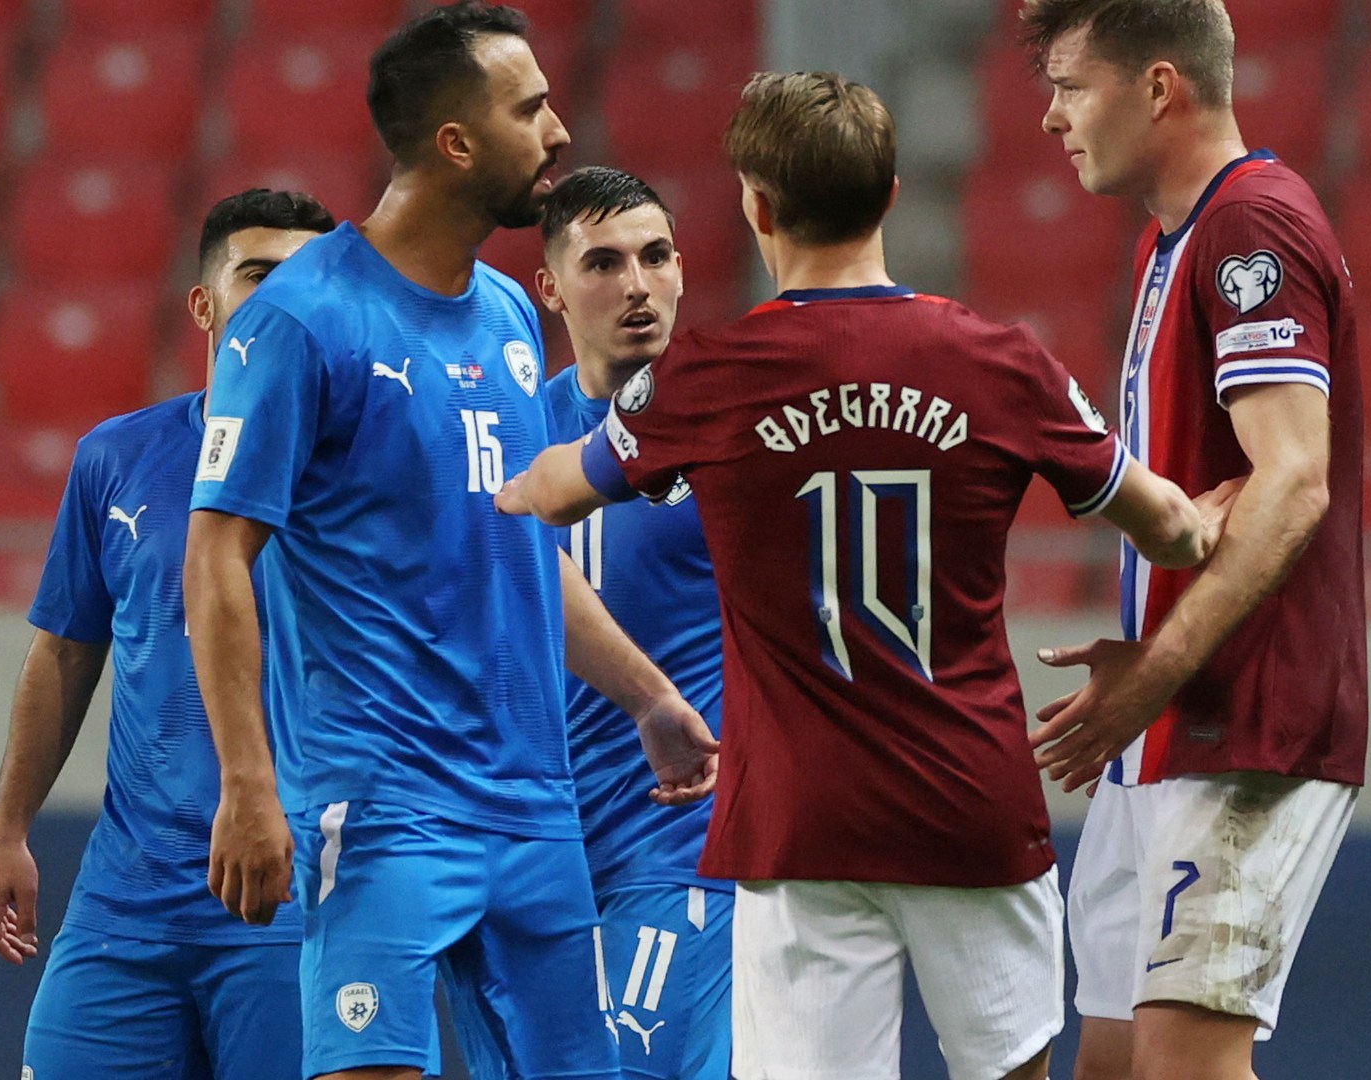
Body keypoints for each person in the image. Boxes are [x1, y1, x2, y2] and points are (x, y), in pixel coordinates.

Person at [496, 71, 1233, 1080]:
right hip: (970, 805)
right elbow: (1164, 529)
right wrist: (1212, 516)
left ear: (755, 205)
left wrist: (490, 468)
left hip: (797, 821)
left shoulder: (704, 379)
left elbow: (552, 492)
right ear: (889, 194)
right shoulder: (1004, 362)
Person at [182, 6, 716, 1080]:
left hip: (531, 805)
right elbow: (215, 557)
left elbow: (514, 546)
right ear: (456, 143)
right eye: (529, 109)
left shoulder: (513, 319)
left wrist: (649, 698)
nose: (559, 133)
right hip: (382, 808)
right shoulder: (299, 321)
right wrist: (248, 782)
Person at [1018, 2, 1368, 1078]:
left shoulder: (1248, 227)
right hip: (1167, 733)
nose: (1048, 118)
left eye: (1072, 86)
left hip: (1246, 721)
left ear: (1157, 87)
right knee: (1114, 1064)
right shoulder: (1173, 236)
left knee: (1181, 1066)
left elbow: (1294, 479)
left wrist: (1160, 668)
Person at [0, 188, 334, 1080]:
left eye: (308, 279)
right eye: (257, 275)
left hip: (292, 899)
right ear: (204, 305)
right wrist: (8, 826)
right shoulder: (117, 457)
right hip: (125, 898)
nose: (283, 299)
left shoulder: (366, 466)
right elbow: (65, 650)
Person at [540, 166, 732, 1079]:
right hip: (537, 869)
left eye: (655, 257)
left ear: (683, 271)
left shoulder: (736, 426)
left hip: (682, 849)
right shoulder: (511, 433)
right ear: (551, 287)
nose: (636, 285)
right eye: (604, 263)